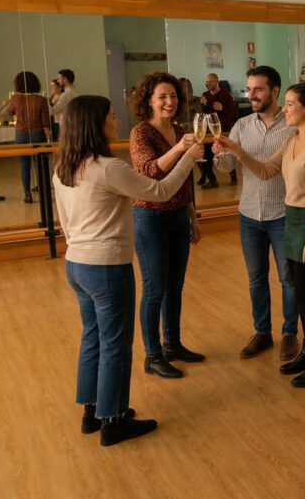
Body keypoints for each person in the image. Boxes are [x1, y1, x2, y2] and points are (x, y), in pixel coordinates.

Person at [53, 94, 202, 446]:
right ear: (95, 124)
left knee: (93, 338)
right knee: (116, 345)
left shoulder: (63, 169)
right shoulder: (108, 168)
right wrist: (188, 158)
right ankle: (114, 420)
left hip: (76, 264)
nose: (117, 120)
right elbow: (160, 191)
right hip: (106, 268)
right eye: (111, 116)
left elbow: (64, 224)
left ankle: (93, 412)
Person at [215, 83, 305, 388]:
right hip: (292, 219)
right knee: (301, 293)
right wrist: (237, 151)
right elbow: (266, 170)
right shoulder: (292, 139)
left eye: (291, 104)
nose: (285, 108)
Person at [213, 66, 300, 361]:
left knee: (288, 279)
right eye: (249, 89)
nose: (251, 95)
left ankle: (290, 334)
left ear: (275, 91)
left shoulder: (292, 126)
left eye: (258, 89)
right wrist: (219, 155)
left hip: (282, 213)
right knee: (256, 278)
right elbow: (227, 167)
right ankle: (262, 333)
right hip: (249, 214)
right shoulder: (241, 125)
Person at [129, 72, 205, 379]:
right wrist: (181, 151)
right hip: (150, 217)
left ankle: (172, 345)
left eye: (173, 96)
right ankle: (153, 355)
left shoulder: (179, 130)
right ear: (148, 100)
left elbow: (185, 180)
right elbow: (149, 171)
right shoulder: (140, 133)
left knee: (175, 286)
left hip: (178, 216)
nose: (169, 102)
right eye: (162, 96)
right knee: (154, 289)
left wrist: (192, 217)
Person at [4, 71, 51, 203]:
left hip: (20, 134)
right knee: (39, 165)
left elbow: (10, 112)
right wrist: (48, 134)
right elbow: (45, 121)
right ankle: (43, 193)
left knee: (24, 165)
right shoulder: (41, 100)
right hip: (37, 133)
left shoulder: (16, 98)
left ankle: (27, 195)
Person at [200, 73, 238, 188]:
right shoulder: (205, 95)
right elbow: (204, 112)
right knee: (205, 156)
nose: (208, 83)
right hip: (208, 132)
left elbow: (235, 112)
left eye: (210, 81)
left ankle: (233, 177)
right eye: (206, 81)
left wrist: (222, 108)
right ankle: (212, 180)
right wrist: (203, 104)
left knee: (226, 154)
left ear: (217, 82)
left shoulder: (226, 95)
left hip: (223, 131)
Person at [51, 68, 76, 133]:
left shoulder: (66, 95)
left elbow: (52, 111)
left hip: (66, 127)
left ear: (65, 79)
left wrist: (44, 102)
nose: (57, 81)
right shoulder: (75, 93)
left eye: (59, 78)